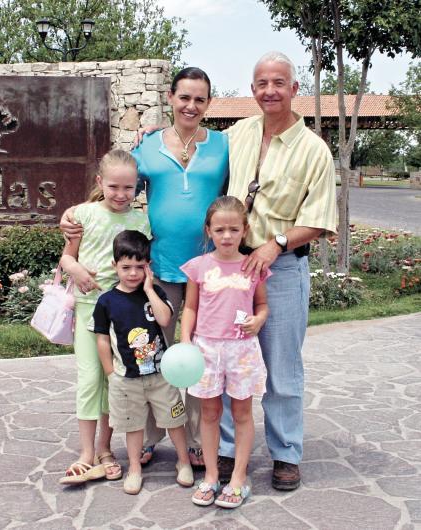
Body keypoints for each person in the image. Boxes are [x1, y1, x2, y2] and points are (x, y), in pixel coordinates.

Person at [60, 67, 230, 472]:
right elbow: (114, 188)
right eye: (184, 97)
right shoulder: (149, 145)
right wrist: (73, 216)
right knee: (154, 354)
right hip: (161, 270)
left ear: (208, 104)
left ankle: (192, 441)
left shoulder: (224, 144)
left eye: (200, 99)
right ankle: (152, 438)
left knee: (198, 357)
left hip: (208, 270)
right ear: (171, 98)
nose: (191, 105)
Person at [222, 51, 337, 490]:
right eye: (262, 83)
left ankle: (286, 453)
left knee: (282, 367)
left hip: (283, 267)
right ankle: (229, 450)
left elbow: (321, 218)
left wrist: (278, 243)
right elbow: (193, 144)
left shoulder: (314, 150)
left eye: (279, 82)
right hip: (233, 262)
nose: (270, 90)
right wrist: (154, 133)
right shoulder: (239, 133)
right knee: (227, 358)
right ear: (252, 91)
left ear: (294, 88)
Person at [58, 149, 150, 485]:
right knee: (89, 379)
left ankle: (105, 448)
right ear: (100, 182)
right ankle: (85, 453)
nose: (121, 195)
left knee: (116, 379)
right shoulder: (82, 215)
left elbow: (142, 263)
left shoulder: (141, 221)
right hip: (88, 309)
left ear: (137, 187)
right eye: (113, 187)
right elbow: (66, 258)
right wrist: (78, 269)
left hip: (123, 314)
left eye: (129, 188)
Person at [180, 196, 270, 508]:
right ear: (209, 231)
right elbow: (190, 307)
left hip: (241, 349)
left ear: (245, 230)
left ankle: (238, 478)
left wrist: (258, 320)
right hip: (206, 347)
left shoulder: (252, 266)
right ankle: (211, 476)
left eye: (234, 229)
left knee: (242, 413)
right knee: (209, 413)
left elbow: (262, 304)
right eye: (220, 230)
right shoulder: (199, 267)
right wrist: (185, 340)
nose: (227, 236)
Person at [93, 229, 194, 495]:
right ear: (114, 265)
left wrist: (149, 289)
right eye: (126, 267)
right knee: (133, 425)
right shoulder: (106, 301)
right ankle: (135, 468)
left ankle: (183, 462)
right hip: (126, 379)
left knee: (174, 420)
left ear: (148, 267)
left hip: (161, 375)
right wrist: (110, 373)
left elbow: (164, 320)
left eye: (140, 266)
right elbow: (102, 340)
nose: (133, 273)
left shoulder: (156, 292)